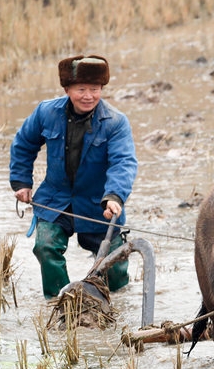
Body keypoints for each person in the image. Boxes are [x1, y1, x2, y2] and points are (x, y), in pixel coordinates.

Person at [10, 55, 138, 299]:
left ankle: (113, 306)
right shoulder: (46, 112)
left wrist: (114, 196)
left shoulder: (116, 122)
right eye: (81, 89)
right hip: (56, 199)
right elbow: (24, 144)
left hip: (98, 203)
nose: (88, 96)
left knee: (116, 269)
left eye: (95, 89)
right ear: (67, 89)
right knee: (45, 247)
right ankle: (61, 302)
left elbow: (123, 162)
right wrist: (21, 182)